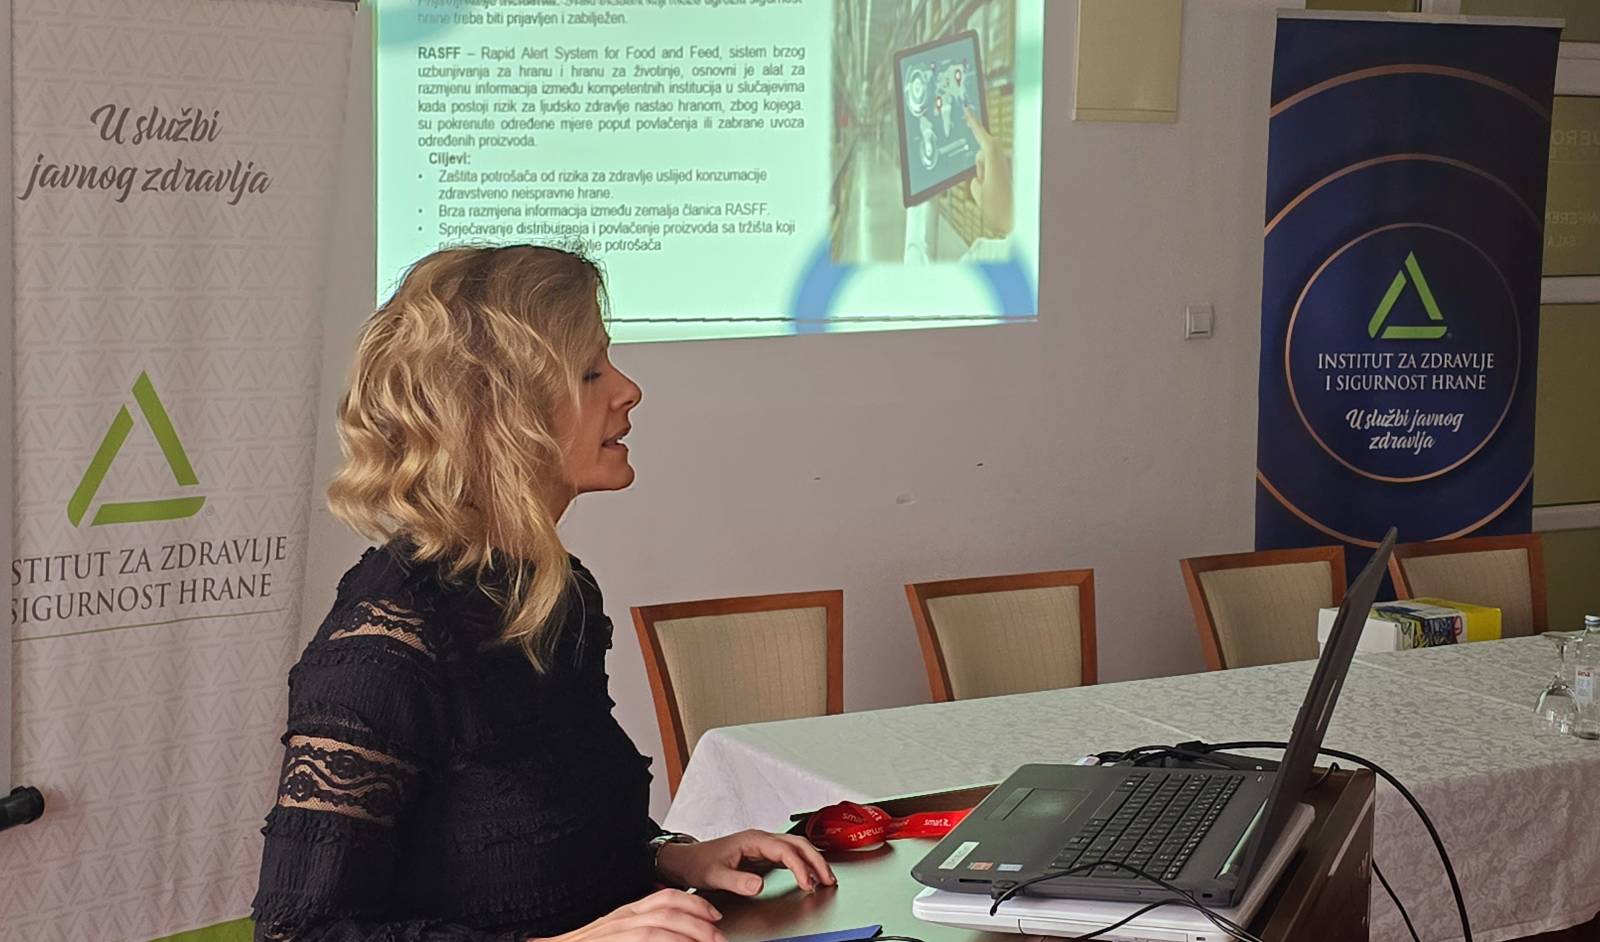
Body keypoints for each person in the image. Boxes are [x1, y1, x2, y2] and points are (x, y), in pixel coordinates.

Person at [250, 245, 835, 942]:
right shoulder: (385, 644)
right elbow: (296, 933)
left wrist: (673, 859)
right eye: (590, 372)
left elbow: (549, 848)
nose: (629, 390)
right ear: (497, 412)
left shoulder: (557, 592)